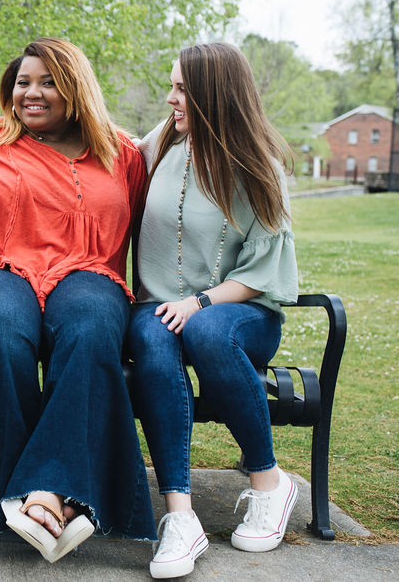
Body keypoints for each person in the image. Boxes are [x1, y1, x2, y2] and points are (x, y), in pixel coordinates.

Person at [0, 37, 155, 561]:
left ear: (77, 89)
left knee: (90, 329)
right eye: (23, 82)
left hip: (87, 271)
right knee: (4, 335)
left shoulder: (121, 154)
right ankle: (33, 499)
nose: (31, 93)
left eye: (48, 82)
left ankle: (46, 492)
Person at [127, 42, 299, 579]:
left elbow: (260, 273)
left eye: (182, 89)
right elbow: (103, 146)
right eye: (172, 86)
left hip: (238, 314)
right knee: (152, 340)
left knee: (206, 332)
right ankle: (180, 517)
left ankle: (269, 483)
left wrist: (198, 302)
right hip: (160, 305)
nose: (171, 98)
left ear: (214, 94)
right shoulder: (162, 144)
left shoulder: (259, 167)